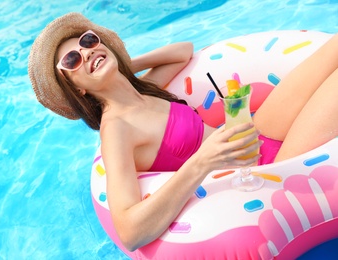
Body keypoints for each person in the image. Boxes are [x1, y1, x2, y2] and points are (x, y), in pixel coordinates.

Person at [28, 12, 338, 251]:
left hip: (257, 135)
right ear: (76, 90)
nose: (86, 53)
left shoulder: (146, 89)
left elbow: (183, 51)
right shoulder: (117, 131)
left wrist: (119, 66)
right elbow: (130, 231)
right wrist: (202, 161)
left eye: (88, 41)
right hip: (267, 171)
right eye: (72, 60)